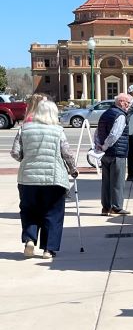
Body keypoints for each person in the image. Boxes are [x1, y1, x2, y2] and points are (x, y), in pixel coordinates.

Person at [11, 100, 78, 258]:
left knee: (29, 210)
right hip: (54, 179)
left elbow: (15, 152)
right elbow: (67, 153)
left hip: (28, 178)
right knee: (53, 212)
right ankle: (49, 248)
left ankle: (29, 239)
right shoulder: (57, 130)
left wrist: (26, 158)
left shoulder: (24, 129)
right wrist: (73, 169)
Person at [94, 93, 132, 216]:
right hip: (116, 152)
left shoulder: (106, 113)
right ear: (121, 102)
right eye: (127, 103)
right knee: (117, 182)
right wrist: (105, 146)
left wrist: (99, 146)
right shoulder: (120, 115)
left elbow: (97, 131)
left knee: (106, 182)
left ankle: (106, 207)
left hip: (105, 153)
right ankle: (116, 207)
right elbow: (115, 134)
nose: (128, 105)